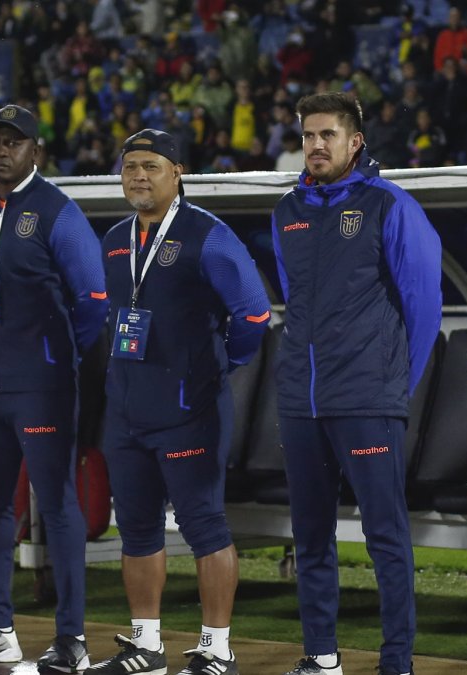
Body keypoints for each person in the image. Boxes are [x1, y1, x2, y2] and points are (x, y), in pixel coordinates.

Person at [89, 129, 270, 675]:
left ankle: (217, 650)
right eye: (130, 167)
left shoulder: (208, 237)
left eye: (150, 166)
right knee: (137, 528)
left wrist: (219, 366)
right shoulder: (115, 238)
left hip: (189, 410)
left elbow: (255, 317)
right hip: (125, 410)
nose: (138, 176)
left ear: (178, 171)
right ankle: (145, 646)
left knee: (204, 527)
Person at [273, 92, 441, 675]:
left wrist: (394, 384)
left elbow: (423, 305)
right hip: (301, 402)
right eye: (307, 135)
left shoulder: (389, 204)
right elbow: (295, 302)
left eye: (328, 135)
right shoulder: (286, 211)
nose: (316, 145)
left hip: (368, 400)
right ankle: (321, 657)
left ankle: (396, 663)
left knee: (386, 538)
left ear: (355, 142)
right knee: (310, 537)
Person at [0, 104, 108, 671]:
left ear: (34, 150)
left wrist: (55, 355)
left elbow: (93, 302)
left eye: (13, 142)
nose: (1, 150)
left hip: (41, 384)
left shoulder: (57, 211)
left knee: (59, 506)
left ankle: (72, 640)